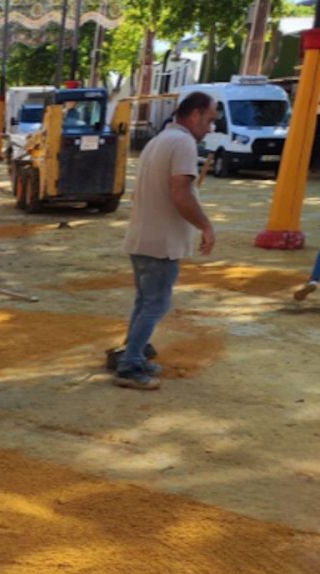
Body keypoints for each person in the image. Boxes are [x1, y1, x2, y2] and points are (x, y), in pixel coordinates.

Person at [115, 91, 217, 391]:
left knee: (144, 302)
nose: (210, 128)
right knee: (155, 304)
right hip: (161, 243)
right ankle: (130, 364)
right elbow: (181, 194)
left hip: (143, 238)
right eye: (209, 120)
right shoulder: (183, 143)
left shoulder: (158, 141)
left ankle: (132, 354)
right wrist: (206, 227)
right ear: (195, 114)